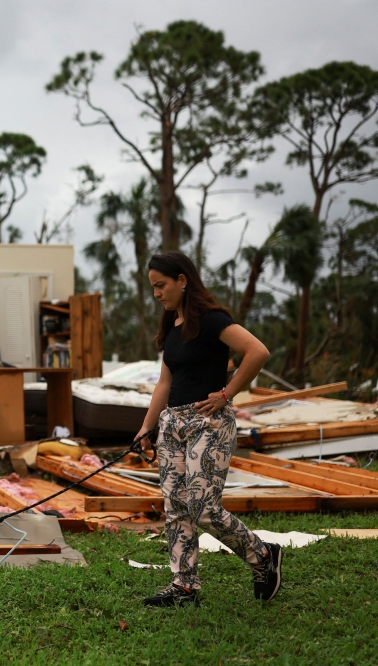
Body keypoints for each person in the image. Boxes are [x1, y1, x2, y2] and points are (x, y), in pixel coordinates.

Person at [136, 251, 282, 608]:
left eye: (161, 285)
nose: (157, 294)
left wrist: (227, 394)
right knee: (175, 506)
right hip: (173, 423)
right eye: (152, 287)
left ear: (182, 280)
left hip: (209, 422)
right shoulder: (171, 328)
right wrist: (147, 426)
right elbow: (164, 382)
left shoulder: (213, 321)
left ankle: (262, 555)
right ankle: (184, 586)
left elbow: (257, 351)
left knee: (202, 506)